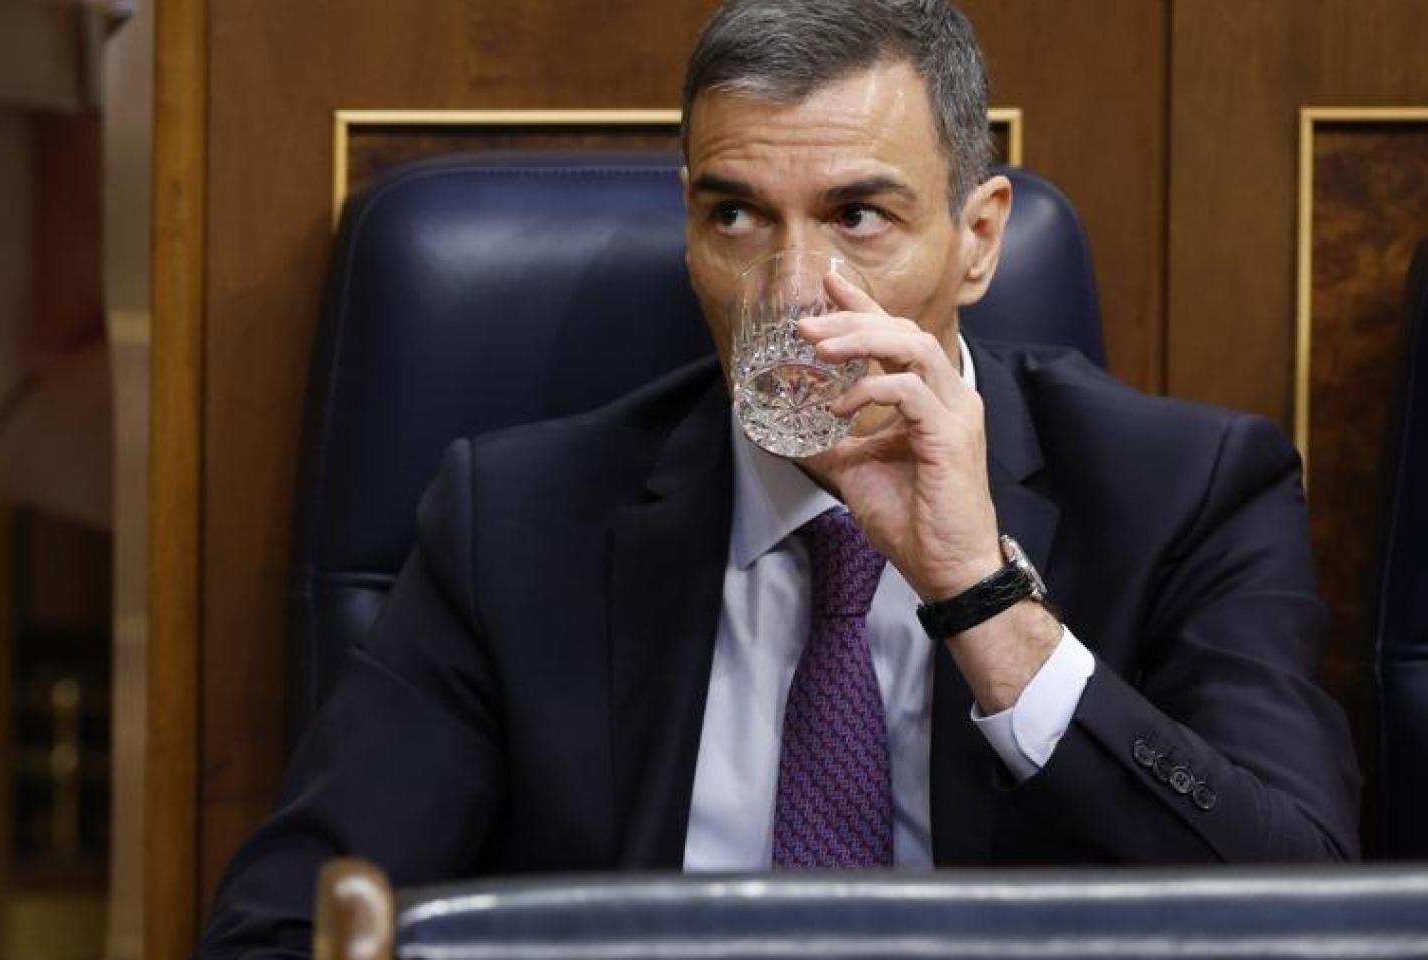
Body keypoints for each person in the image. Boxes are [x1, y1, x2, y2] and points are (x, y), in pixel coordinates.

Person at [199, 0, 1359, 955]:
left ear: (977, 239)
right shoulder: (514, 523)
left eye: (857, 215)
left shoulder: (1188, 491)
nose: (792, 290)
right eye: (736, 215)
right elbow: (284, 928)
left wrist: (982, 598)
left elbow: (1300, 914)